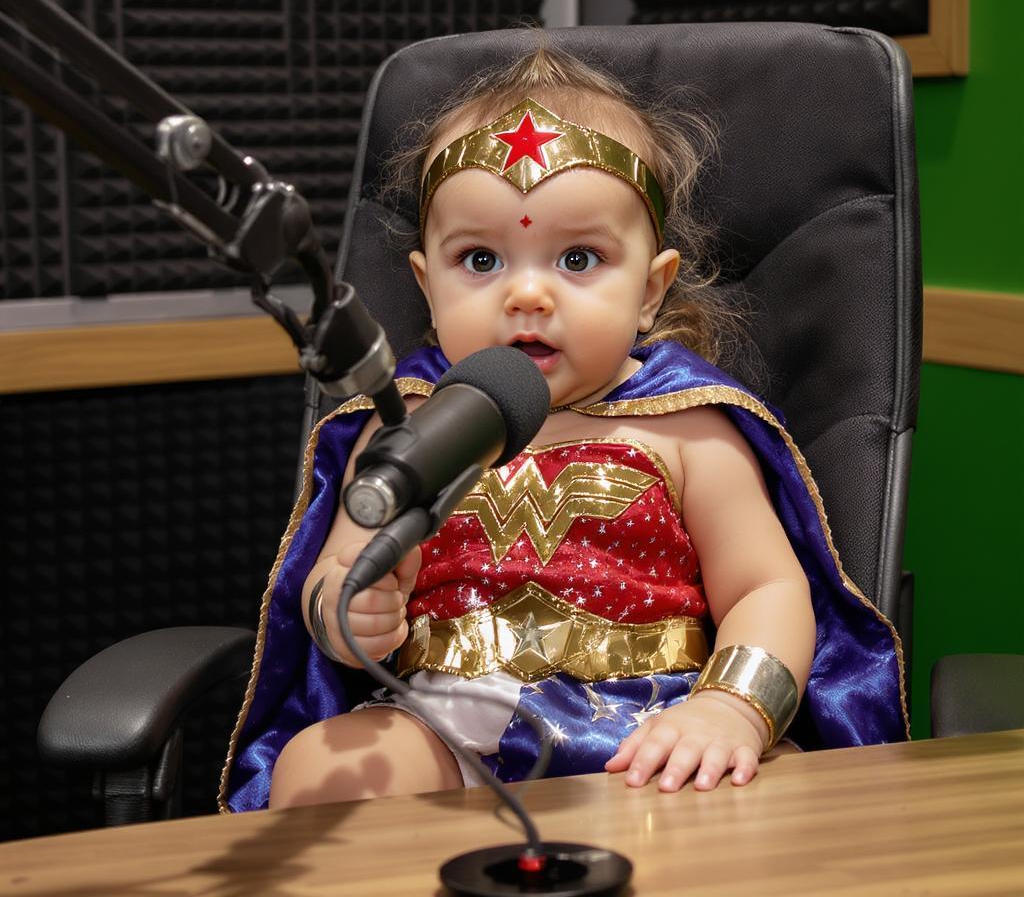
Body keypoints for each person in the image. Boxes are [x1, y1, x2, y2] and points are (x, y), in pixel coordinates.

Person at [219, 46, 908, 814]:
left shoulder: (688, 425)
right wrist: (353, 611)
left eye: (578, 258)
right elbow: (335, 576)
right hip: (447, 723)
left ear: (650, 291)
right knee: (326, 765)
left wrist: (730, 708)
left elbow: (766, 587)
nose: (527, 293)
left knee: (747, 800)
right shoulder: (405, 425)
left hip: (654, 723)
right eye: (479, 259)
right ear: (427, 284)